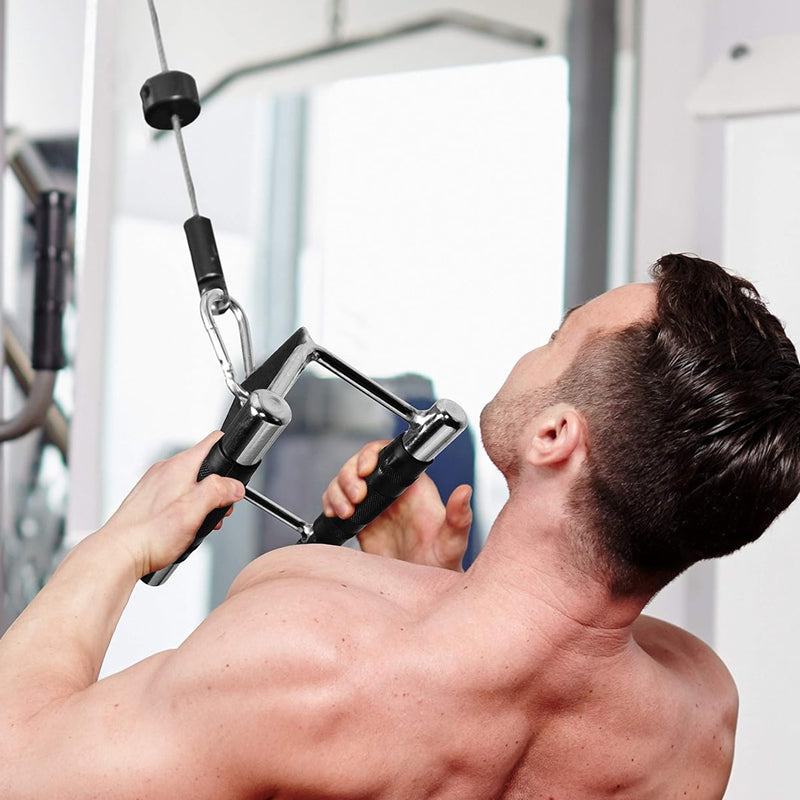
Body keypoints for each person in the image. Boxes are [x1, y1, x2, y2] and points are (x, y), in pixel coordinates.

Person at [1, 253, 799, 799]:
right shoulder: (696, 722)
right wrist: (427, 584)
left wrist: (122, 539)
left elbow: (18, 767)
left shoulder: (305, 649)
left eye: (561, 335)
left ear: (555, 435)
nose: (537, 346)